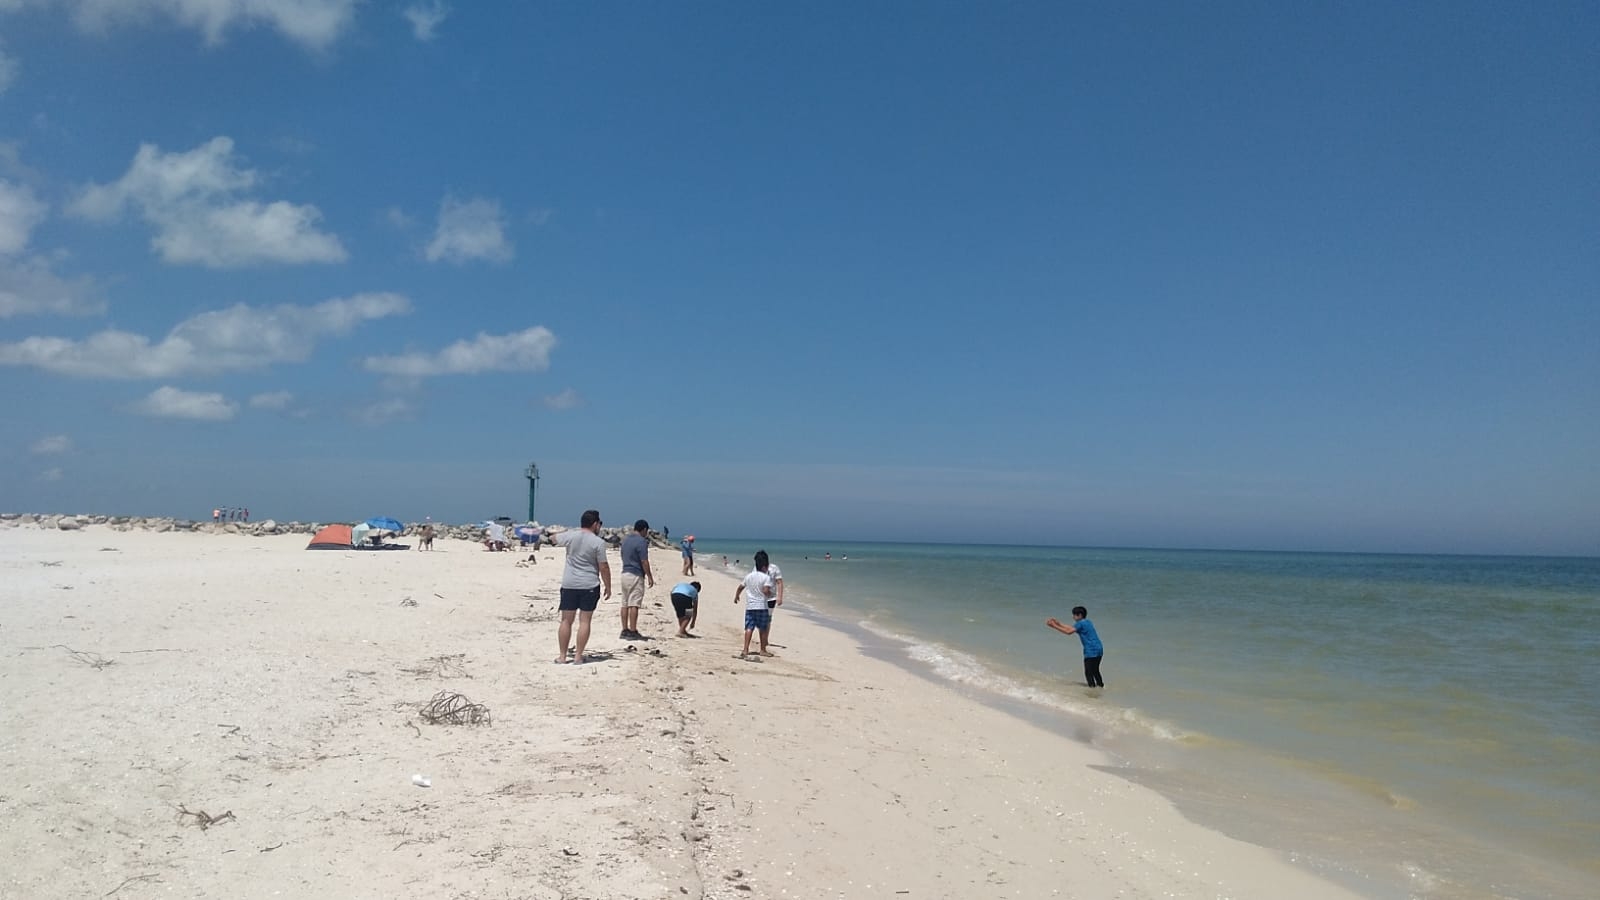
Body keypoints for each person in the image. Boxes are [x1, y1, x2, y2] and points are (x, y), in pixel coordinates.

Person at [555, 510, 611, 665]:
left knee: (566, 620)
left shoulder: (570, 536)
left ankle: (562, 656)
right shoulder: (597, 542)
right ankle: (578, 656)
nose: (600, 527)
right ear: (595, 524)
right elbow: (603, 566)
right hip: (589, 584)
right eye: (600, 524)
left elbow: (553, 538)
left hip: (569, 584)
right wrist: (608, 586)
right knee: (585, 621)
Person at [1046, 606, 1105, 687]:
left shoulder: (1080, 623)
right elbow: (1072, 628)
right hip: (1099, 649)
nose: (1073, 617)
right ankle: (1100, 686)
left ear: (1080, 615)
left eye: (1074, 615)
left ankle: (1092, 691)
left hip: (1091, 650)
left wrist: (1054, 626)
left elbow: (1068, 632)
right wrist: (1058, 623)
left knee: (1088, 672)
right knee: (1095, 670)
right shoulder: (1087, 622)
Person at [733, 550, 777, 659]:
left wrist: (737, 595)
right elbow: (766, 590)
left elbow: (740, 587)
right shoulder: (766, 578)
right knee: (762, 628)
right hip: (762, 606)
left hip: (750, 606)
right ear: (764, 567)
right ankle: (762, 650)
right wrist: (771, 593)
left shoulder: (748, 576)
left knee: (749, 628)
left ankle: (745, 649)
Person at [618, 519, 655, 640]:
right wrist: (649, 576)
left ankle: (624, 630)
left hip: (625, 573)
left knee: (625, 603)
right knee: (634, 603)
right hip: (635, 574)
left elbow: (622, 555)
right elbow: (644, 560)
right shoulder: (642, 542)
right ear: (644, 529)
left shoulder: (626, 540)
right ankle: (633, 630)